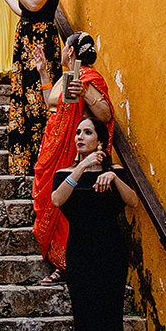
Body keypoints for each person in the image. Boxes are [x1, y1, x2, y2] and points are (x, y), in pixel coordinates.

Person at [52, 114, 133, 331]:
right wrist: (83, 167)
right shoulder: (66, 173)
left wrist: (114, 177)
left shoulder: (115, 173)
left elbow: (133, 203)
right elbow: (57, 200)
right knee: (85, 323)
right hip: (81, 254)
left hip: (111, 253)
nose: (80, 137)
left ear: (100, 140)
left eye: (87, 132)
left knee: (109, 324)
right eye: (77, 133)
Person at [30, 30, 116, 282]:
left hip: (73, 150)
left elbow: (105, 115)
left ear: (70, 51)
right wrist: (43, 71)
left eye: (64, 48)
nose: (62, 52)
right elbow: (51, 102)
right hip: (53, 146)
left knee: (67, 206)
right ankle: (59, 260)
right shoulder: (67, 76)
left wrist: (85, 91)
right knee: (48, 197)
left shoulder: (89, 78)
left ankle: (66, 263)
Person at [0, 0, 63, 177]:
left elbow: (33, 4)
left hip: (40, 45)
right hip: (27, 42)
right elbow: (24, 10)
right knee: (24, 95)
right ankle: (26, 159)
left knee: (37, 97)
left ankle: (41, 155)